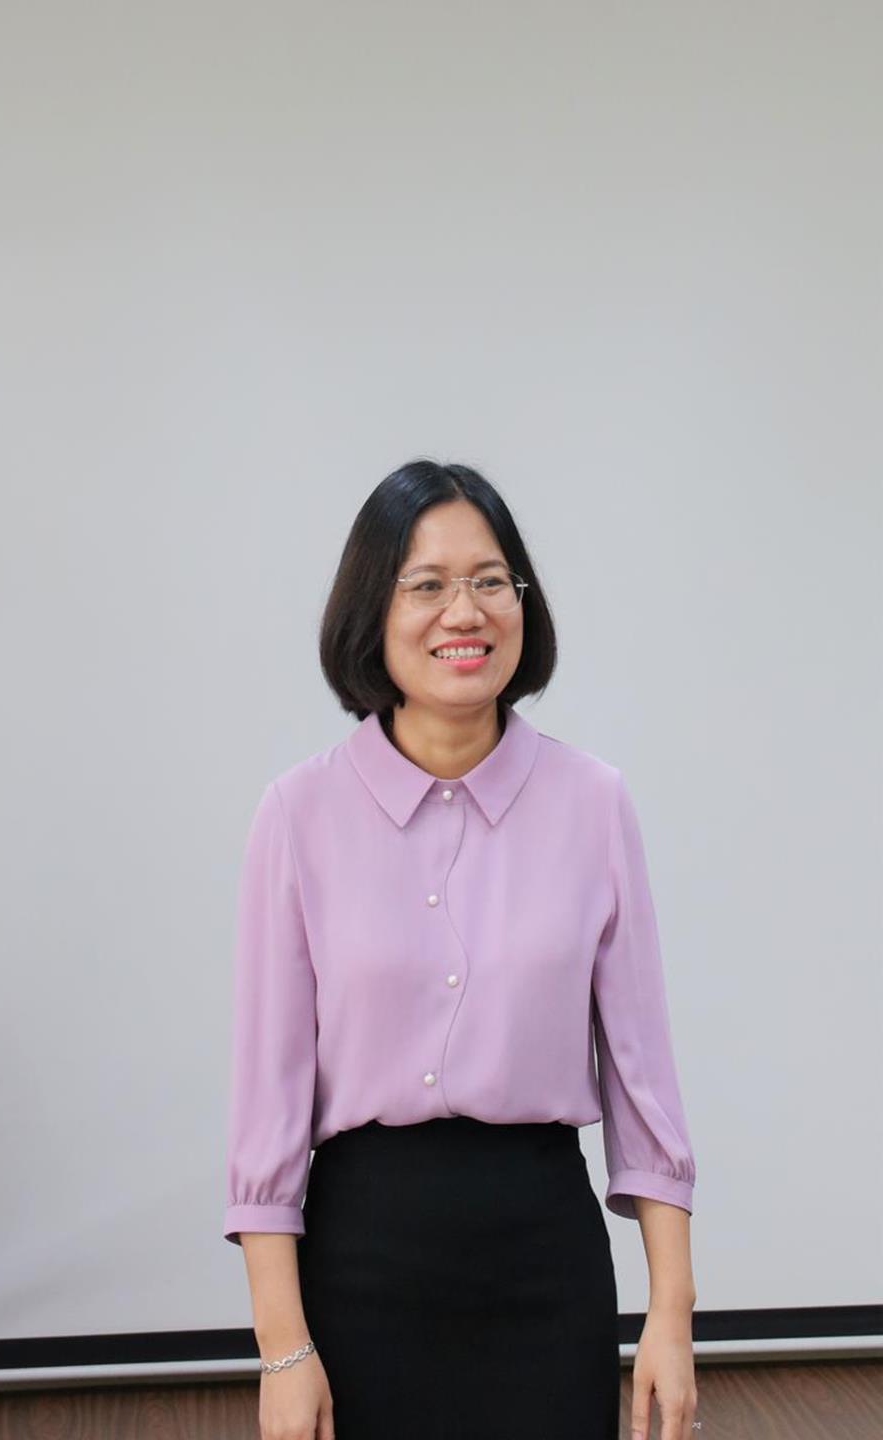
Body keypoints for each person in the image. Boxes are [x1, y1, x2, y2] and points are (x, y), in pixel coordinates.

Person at [223, 459, 699, 1440]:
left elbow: (644, 1083)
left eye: (490, 580)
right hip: (361, 1268)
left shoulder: (593, 804)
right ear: (373, 609)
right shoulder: (298, 815)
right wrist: (283, 1349)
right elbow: (266, 1110)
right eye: (427, 584)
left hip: (545, 1269)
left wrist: (671, 1314)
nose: (465, 611)